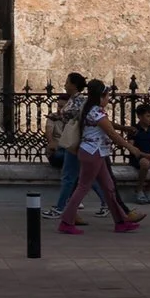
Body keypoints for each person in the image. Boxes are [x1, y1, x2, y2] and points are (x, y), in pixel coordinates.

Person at [57, 79, 143, 235]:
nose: (108, 99)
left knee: (108, 187)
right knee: (83, 187)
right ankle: (66, 221)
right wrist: (131, 147)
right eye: (107, 96)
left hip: (96, 152)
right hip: (93, 152)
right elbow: (111, 133)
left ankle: (121, 221)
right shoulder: (96, 112)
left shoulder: (89, 109)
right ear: (101, 97)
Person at [43, 72, 87, 220]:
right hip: (72, 142)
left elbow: (74, 117)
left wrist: (59, 116)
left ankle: (61, 208)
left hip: (73, 142)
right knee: (83, 177)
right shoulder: (74, 100)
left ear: (74, 85)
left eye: (67, 82)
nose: (65, 85)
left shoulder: (78, 101)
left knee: (70, 177)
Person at [126, 99, 150, 203]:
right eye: (147, 116)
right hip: (139, 157)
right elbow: (131, 147)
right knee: (145, 164)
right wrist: (145, 155)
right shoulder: (134, 130)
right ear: (140, 117)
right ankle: (139, 189)